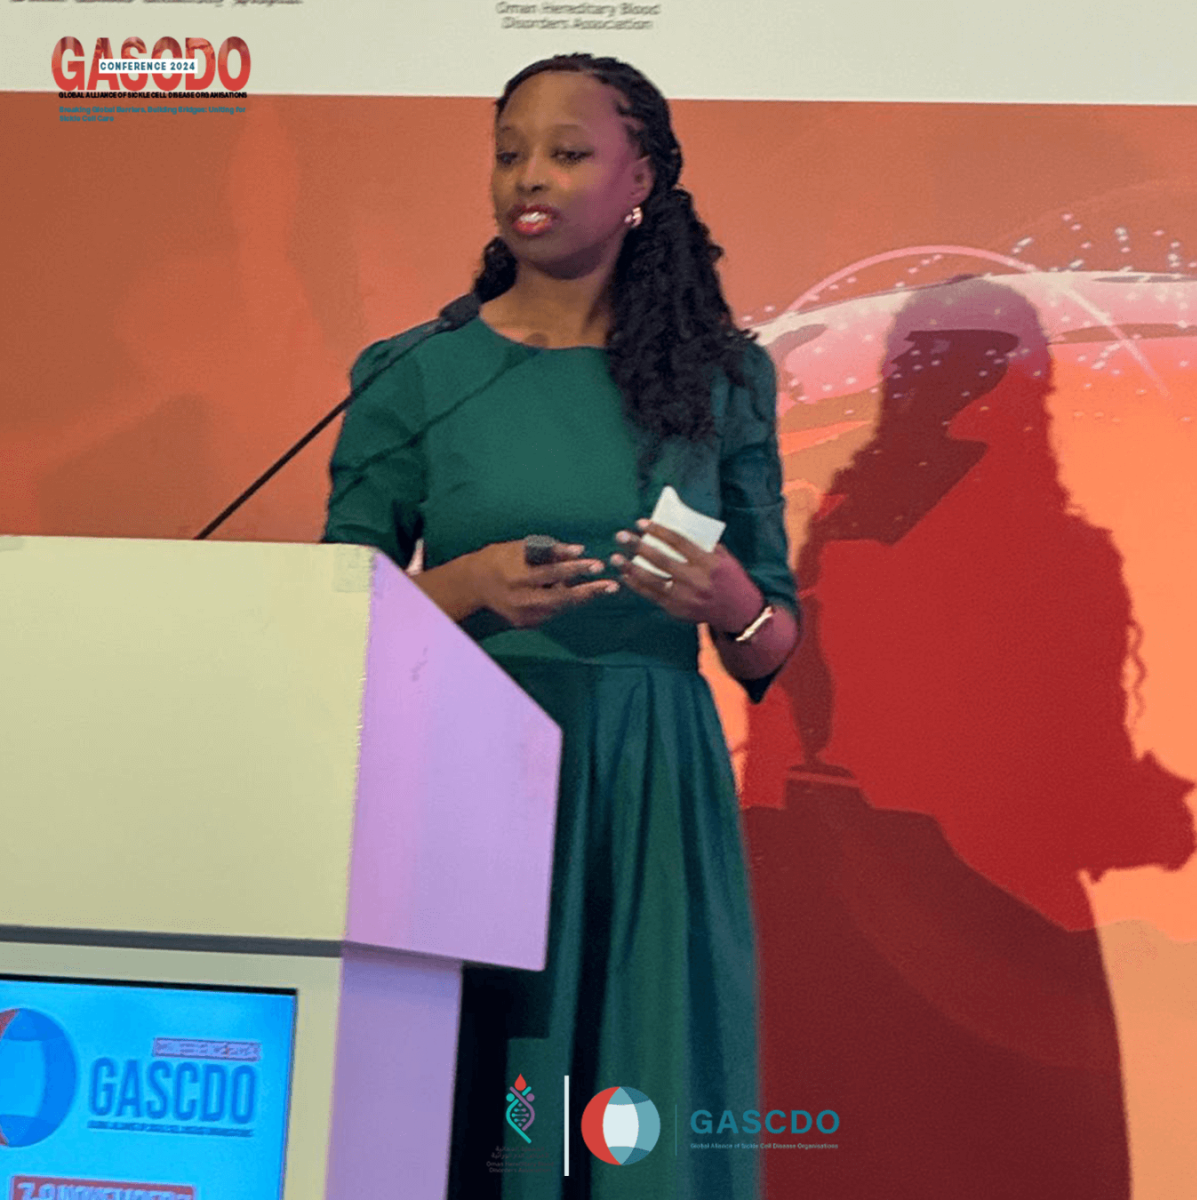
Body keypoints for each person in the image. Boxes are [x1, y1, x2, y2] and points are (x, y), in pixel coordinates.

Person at [321, 52, 798, 1198]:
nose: (529, 177)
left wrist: (728, 602)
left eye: (568, 153)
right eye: (510, 153)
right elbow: (335, 618)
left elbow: (774, 644)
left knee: (639, 1099)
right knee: (494, 1107)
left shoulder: (725, 378)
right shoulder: (416, 372)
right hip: (466, 780)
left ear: (642, 180)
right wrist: (466, 584)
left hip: (650, 786)